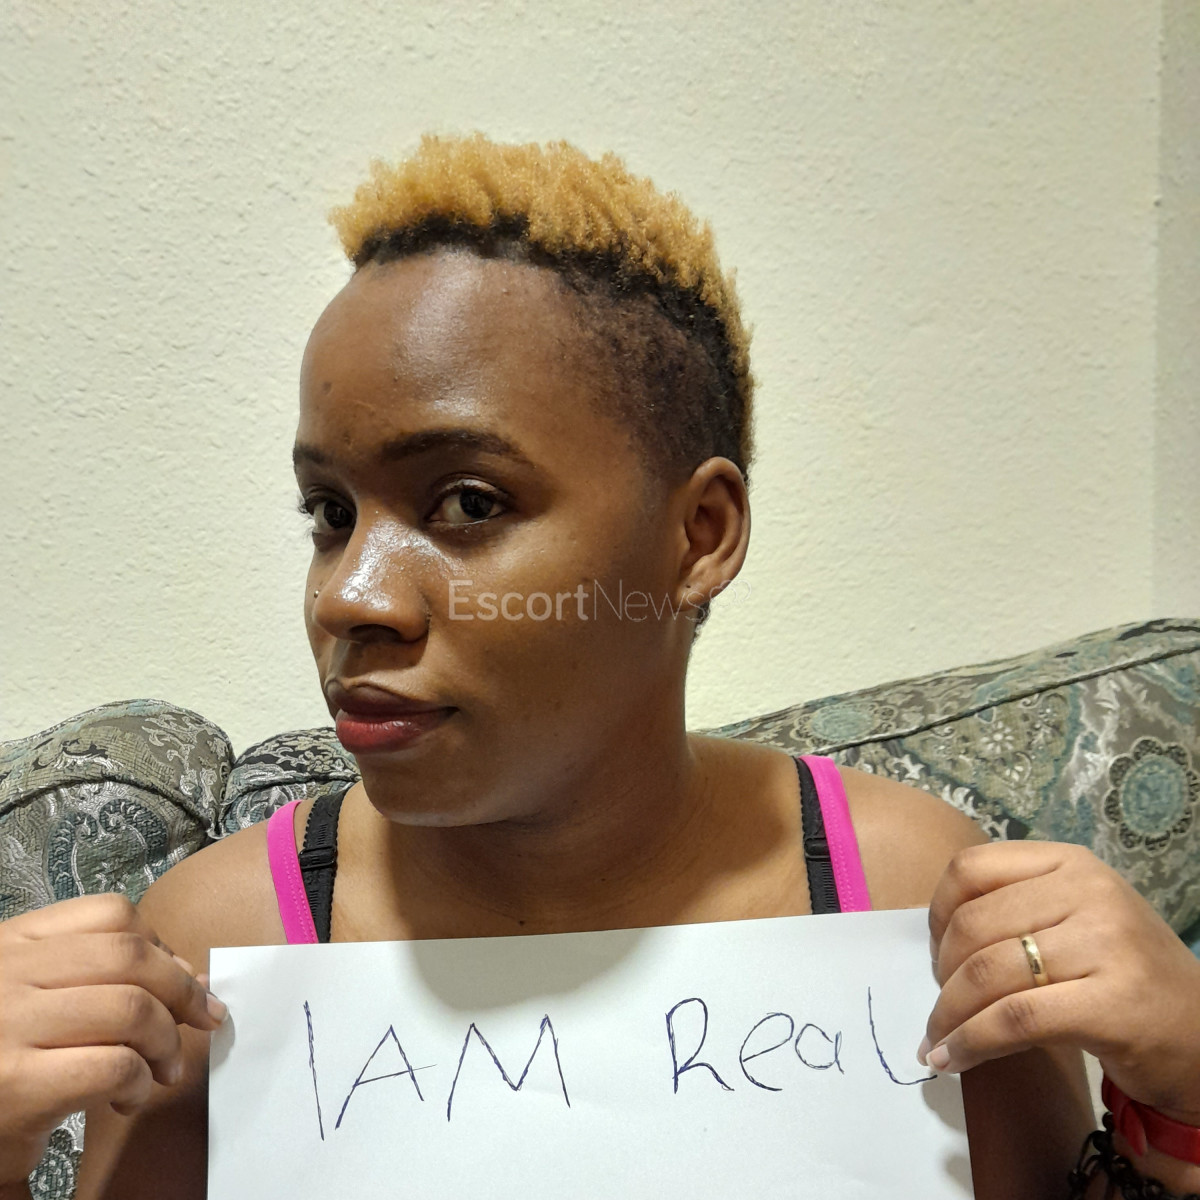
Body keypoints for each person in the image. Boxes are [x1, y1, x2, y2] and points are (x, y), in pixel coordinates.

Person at [1, 134, 1198, 1200]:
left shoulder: (906, 898)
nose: (349, 596)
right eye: (331, 512)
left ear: (699, 537)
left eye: (467, 502)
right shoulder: (221, 943)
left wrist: (1182, 1099)